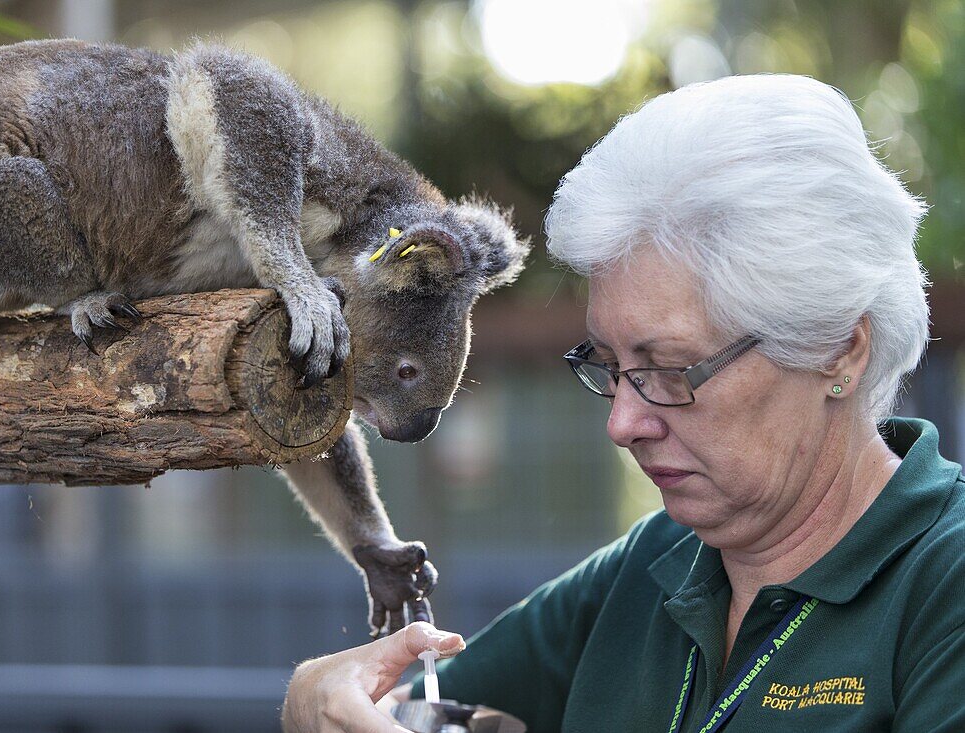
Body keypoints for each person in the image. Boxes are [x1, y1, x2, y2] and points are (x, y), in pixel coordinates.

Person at [281, 74, 965, 732]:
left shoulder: (943, 580)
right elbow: (404, 708)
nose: (621, 422)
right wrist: (315, 697)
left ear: (837, 348)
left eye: (669, 369)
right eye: (608, 365)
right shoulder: (658, 564)